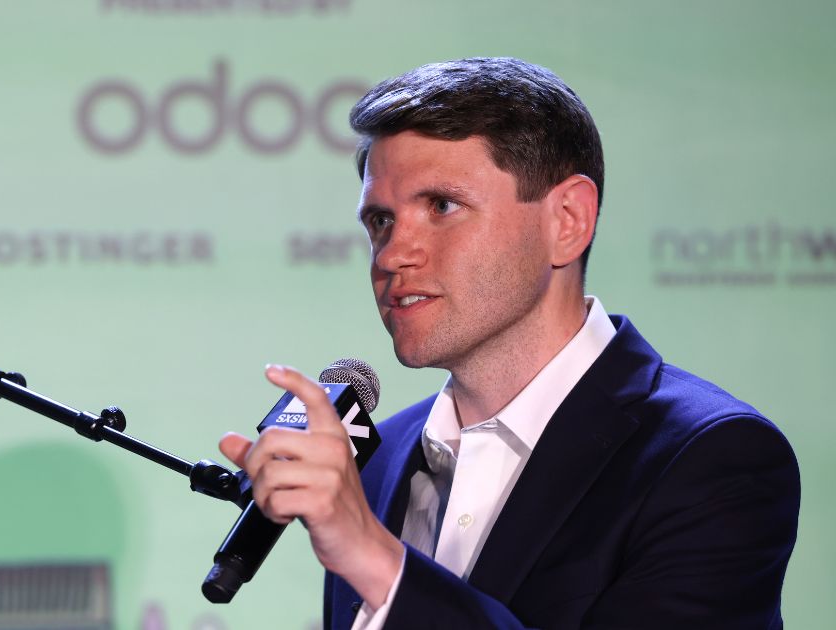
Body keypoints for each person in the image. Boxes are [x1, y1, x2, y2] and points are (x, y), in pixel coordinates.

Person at [218, 57, 800, 629]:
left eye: (442, 206)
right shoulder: (378, 464)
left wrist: (375, 560)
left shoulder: (710, 460)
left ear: (567, 220)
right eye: (380, 221)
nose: (393, 255)